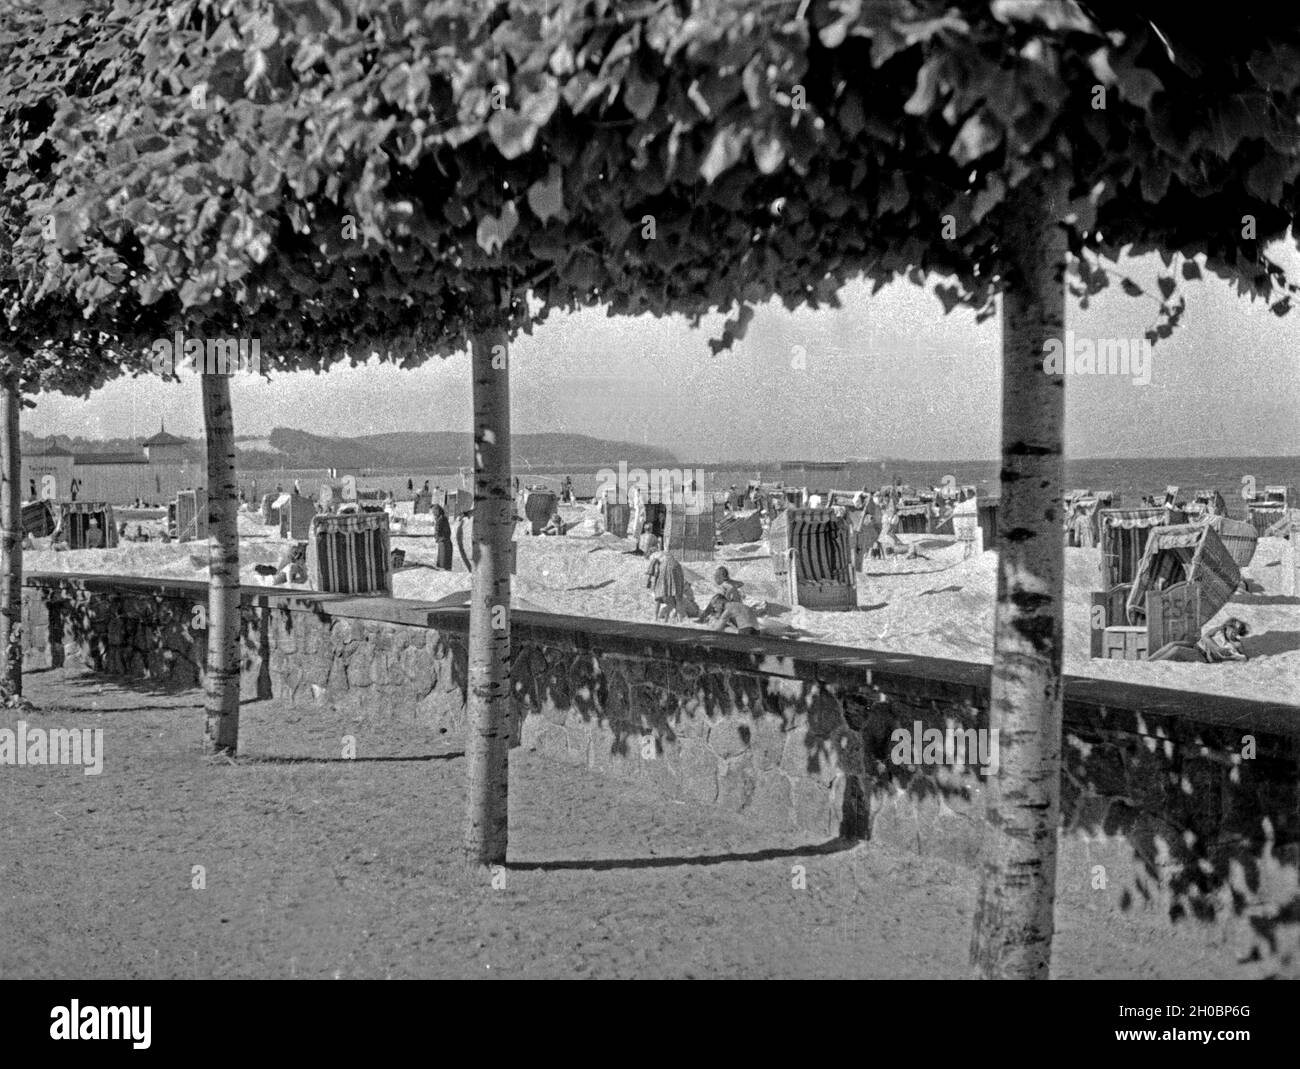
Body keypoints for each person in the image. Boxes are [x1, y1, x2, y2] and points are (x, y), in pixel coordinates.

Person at [645, 536, 687, 621]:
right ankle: (679, 618)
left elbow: (653, 569)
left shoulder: (654, 556)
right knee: (675, 595)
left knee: (658, 597)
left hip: (666, 568)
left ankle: (655, 617)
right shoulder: (664, 553)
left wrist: (649, 581)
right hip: (677, 566)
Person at [430, 505, 453, 570]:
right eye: (433, 512)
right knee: (444, 560)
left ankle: (444, 571)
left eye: (434, 511)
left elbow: (438, 530)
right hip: (445, 540)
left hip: (443, 541)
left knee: (443, 560)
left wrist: (437, 538)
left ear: (438, 511)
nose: (433, 513)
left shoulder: (441, 519)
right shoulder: (442, 518)